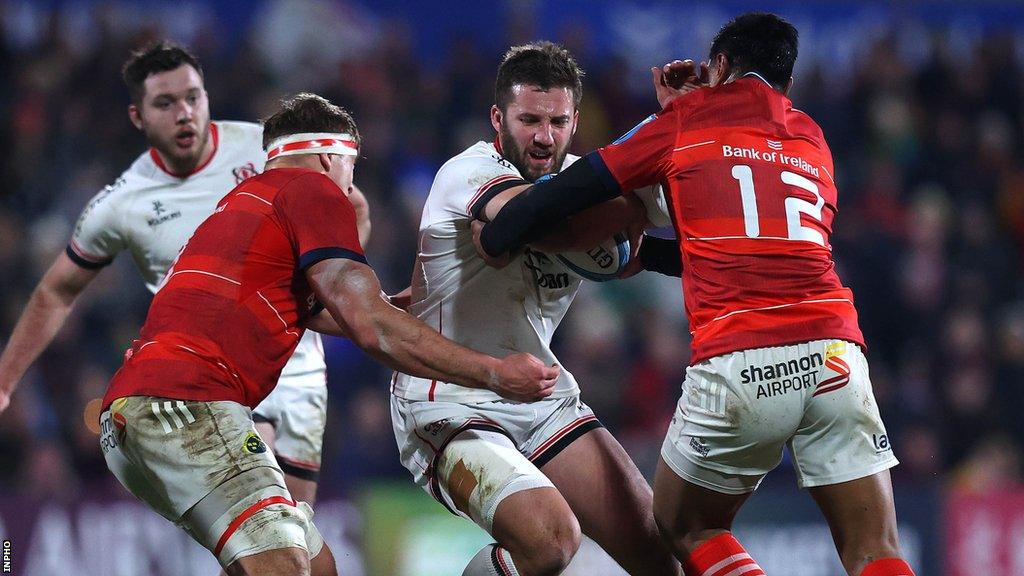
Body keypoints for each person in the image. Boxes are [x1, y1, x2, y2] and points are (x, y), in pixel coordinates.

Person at [474, 14, 916, 576]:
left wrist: (500, 232)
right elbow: (735, 235)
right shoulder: (811, 136)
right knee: (875, 548)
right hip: (836, 354)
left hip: (743, 358)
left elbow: (575, 187)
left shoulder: (685, 121)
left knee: (685, 524)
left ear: (721, 66)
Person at [98, 91, 559, 575]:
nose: (349, 186)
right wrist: (492, 373)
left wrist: (390, 307)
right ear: (329, 156)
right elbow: (370, 327)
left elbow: (314, 307)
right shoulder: (312, 189)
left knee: (317, 567)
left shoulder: (242, 202)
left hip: (133, 416)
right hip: (188, 405)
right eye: (350, 171)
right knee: (287, 565)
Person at [0, 41, 363, 507]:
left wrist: (340, 284)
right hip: (215, 379)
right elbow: (56, 292)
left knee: (297, 540)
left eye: (193, 97)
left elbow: (351, 205)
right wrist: (6, 381)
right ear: (138, 117)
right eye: (165, 103)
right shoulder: (122, 203)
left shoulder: (263, 149)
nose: (185, 113)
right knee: (264, 519)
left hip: (301, 368)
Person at [390, 42, 678, 576]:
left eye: (558, 121)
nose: (544, 137)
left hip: (537, 392)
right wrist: (627, 207)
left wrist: (682, 120)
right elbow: (518, 228)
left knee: (661, 557)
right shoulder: (469, 171)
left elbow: (633, 251)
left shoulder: (582, 179)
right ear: (499, 117)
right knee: (549, 541)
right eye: (529, 120)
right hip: (446, 399)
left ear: (575, 121)